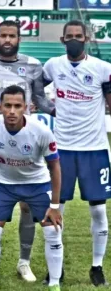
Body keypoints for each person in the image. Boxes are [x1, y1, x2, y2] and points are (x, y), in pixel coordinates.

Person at [0, 19, 56, 282]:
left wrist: (59, 110)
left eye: (12, 36)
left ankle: (24, 261)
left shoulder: (33, 65)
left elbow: (40, 99)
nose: (8, 40)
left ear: (19, 38)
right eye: (3, 35)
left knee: (27, 204)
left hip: (23, 142)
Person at [0, 85, 63, 291]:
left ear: (25, 108)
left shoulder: (41, 132)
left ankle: (54, 284)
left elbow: (55, 167)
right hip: (4, 185)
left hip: (37, 184)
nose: (12, 111)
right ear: (0, 107)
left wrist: (54, 205)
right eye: (7, 105)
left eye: (17, 106)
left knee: (53, 231)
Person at [43, 20, 111, 286]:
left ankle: (97, 266)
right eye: (69, 36)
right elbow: (37, 88)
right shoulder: (53, 65)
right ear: (62, 40)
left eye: (78, 36)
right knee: (56, 208)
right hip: (62, 150)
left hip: (94, 150)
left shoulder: (102, 68)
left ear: (86, 38)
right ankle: (55, 269)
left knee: (98, 211)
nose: (74, 39)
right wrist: (49, 108)